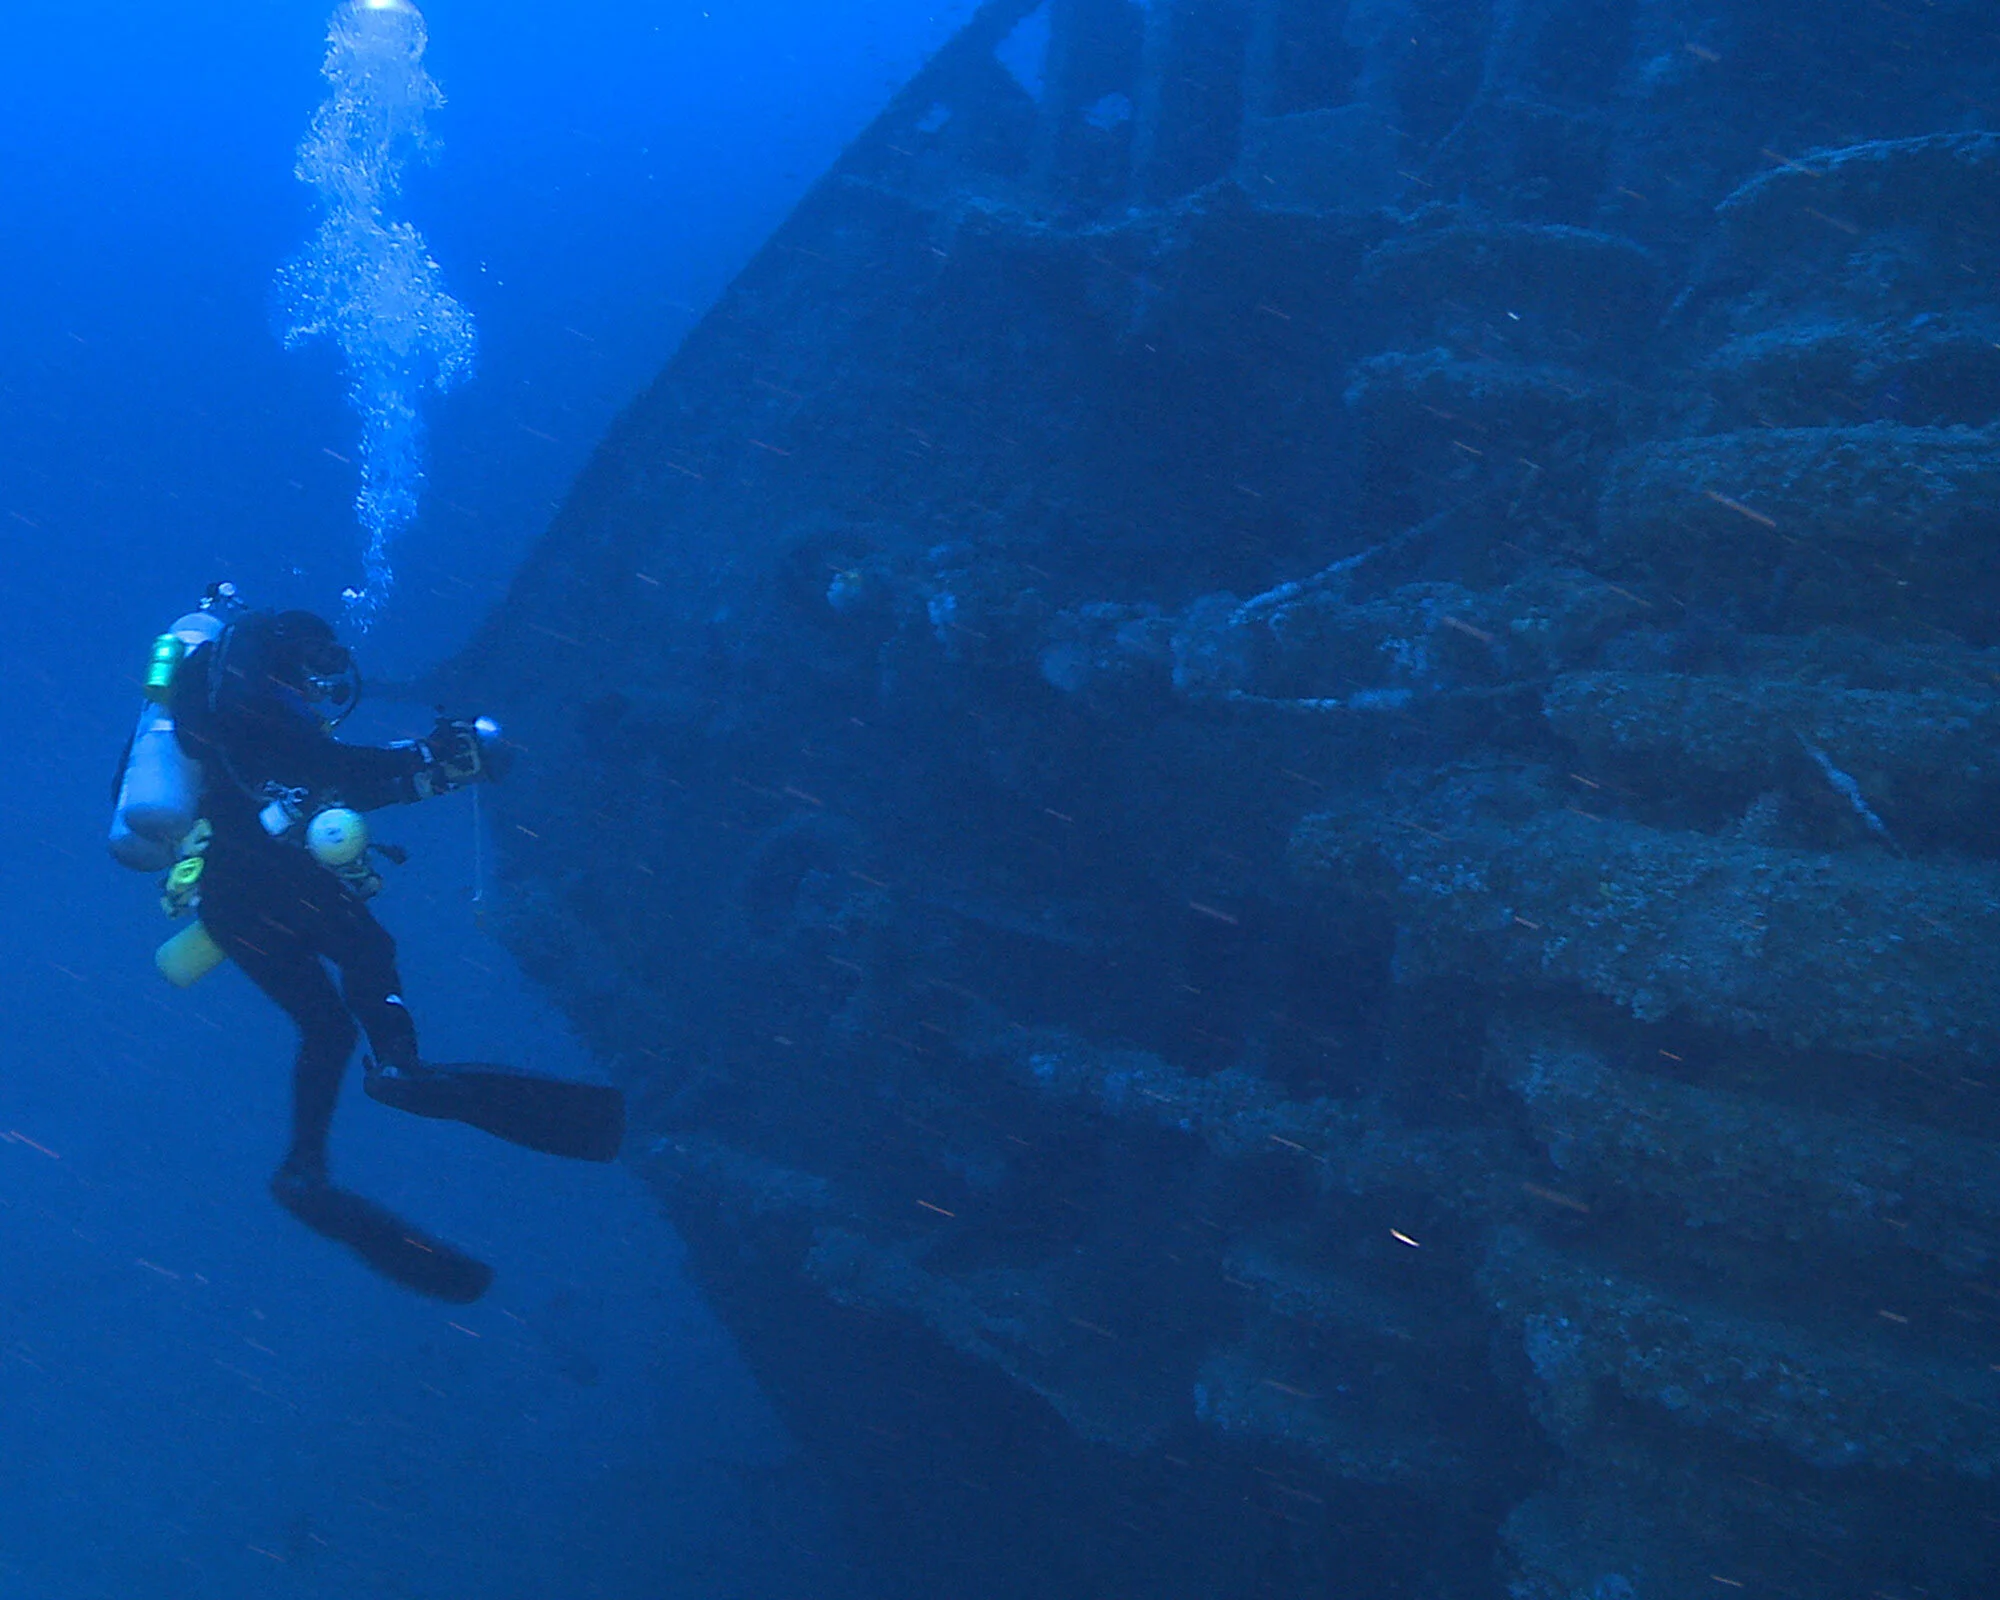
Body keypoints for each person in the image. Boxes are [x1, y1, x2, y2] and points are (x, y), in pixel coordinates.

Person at [168, 606, 623, 1301]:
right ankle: (398, 1067)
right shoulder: (257, 691)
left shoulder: (222, 719)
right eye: (320, 656)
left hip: (228, 904)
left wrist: (440, 764)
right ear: (292, 645)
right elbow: (327, 766)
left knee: (324, 1027)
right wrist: (424, 756)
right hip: (279, 884)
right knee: (369, 951)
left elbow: (333, 783)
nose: (326, 677)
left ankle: (303, 1168)